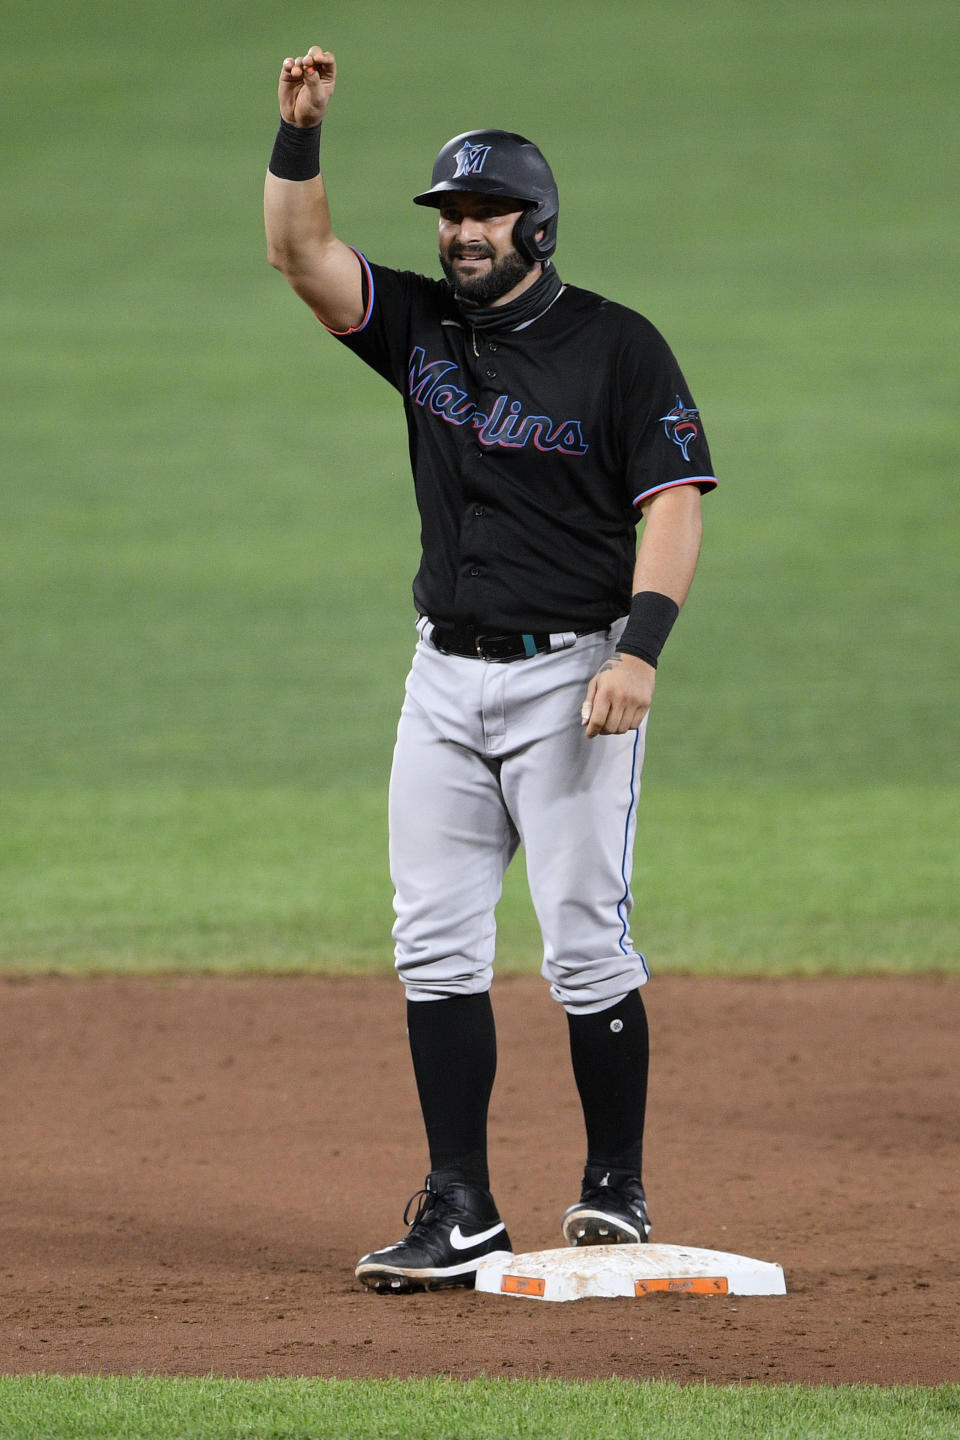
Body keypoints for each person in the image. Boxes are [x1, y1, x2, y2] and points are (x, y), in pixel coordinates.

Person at [264, 45, 718, 1294]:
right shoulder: (418, 328)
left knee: (582, 942)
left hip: (573, 681)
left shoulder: (617, 348)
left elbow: (673, 502)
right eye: (452, 214)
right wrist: (298, 133)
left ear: (538, 223)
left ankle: (614, 1186)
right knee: (436, 946)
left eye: (484, 212)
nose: (463, 233)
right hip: (441, 681)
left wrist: (641, 648)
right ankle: (460, 1206)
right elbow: (302, 256)